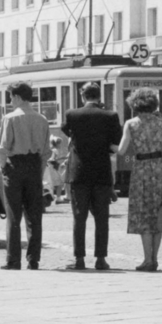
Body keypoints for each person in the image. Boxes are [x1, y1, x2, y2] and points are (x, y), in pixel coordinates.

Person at [61, 82, 123, 271]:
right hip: (101, 173)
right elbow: (115, 143)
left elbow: (68, 132)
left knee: (79, 218)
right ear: (99, 96)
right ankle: (101, 259)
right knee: (102, 218)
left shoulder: (72, 114)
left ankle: (79, 259)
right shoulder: (111, 116)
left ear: (82, 96)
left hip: (79, 173)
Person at [0, 82, 50, 270]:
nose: (10, 101)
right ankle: (33, 259)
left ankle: (13, 260)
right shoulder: (42, 119)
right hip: (34, 166)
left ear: (17, 97)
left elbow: (3, 148)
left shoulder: (10, 118)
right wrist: (40, 170)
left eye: (11, 97)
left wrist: (4, 167)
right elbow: (46, 152)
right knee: (34, 216)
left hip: (15, 166)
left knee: (13, 214)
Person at [118, 88, 162, 272]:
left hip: (141, 168)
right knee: (158, 213)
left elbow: (122, 150)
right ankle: (155, 258)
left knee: (143, 214)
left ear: (135, 105)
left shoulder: (131, 124)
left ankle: (147, 259)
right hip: (159, 167)